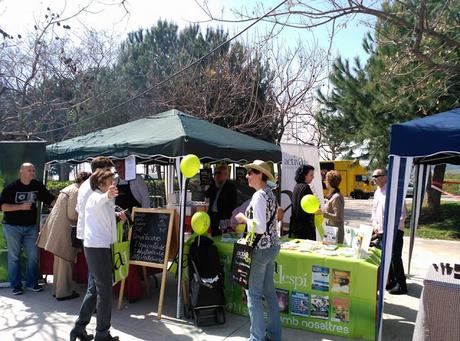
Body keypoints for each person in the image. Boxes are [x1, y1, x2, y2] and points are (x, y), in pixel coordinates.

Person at [235, 160, 281, 341]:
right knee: (269, 294)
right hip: (272, 248)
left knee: (253, 295)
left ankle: (257, 337)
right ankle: (274, 335)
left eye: (252, 172)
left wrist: (243, 219)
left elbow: (260, 227)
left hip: (261, 250)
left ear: (261, 175)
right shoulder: (269, 194)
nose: (247, 175)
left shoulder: (259, 196)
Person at [71, 169, 119, 341]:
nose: (113, 183)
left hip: (99, 246)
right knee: (104, 292)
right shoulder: (95, 196)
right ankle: (102, 334)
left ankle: (78, 328)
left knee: (94, 290)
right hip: (97, 247)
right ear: (100, 184)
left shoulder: (102, 196)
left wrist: (115, 212)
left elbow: (101, 211)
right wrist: (108, 196)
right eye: (109, 181)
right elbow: (98, 201)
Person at [0, 163, 55, 295]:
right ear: (21, 172)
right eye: (29, 170)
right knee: (14, 257)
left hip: (31, 227)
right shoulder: (11, 187)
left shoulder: (37, 185)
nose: (32, 172)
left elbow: (50, 200)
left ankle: (32, 283)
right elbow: (3, 207)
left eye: (33, 170)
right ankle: (16, 285)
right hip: (12, 227)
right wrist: (20, 207)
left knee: (33, 256)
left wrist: (63, 205)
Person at [37, 171, 91, 301]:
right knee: (65, 260)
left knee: (59, 262)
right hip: (64, 231)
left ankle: (58, 290)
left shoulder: (68, 188)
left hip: (57, 229)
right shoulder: (77, 191)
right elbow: (72, 214)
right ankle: (64, 293)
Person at [113, 159, 150, 303]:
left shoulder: (136, 180)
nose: (119, 169)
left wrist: (143, 220)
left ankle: (133, 287)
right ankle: (120, 286)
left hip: (135, 224)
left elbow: (146, 201)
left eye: (121, 166)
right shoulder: (115, 181)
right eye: (117, 167)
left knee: (133, 257)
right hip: (118, 225)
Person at [371, 168, 408, 295]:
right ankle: (391, 281)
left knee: (395, 257)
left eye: (376, 176)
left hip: (395, 230)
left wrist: (395, 227)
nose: (373, 178)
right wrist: (374, 224)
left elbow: (403, 213)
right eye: (373, 176)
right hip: (381, 230)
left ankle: (402, 285)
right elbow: (374, 211)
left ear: (384, 176)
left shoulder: (393, 191)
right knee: (385, 257)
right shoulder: (377, 192)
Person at [205, 164, 237, 236]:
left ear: (225, 175)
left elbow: (233, 204)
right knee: (214, 235)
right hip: (213, 215)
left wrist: (228, 217)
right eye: (215, 173)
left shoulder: (230, 187)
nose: (216, 175)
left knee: (222, 236)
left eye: (219, 173)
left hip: (223, 217)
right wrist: (214, 184)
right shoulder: (214, 184)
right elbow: (206, 194)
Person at [289, 164, 316, 240]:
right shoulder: (305, 187)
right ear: (304, 175)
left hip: (296, 226)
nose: (313, 177)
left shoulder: (297, 186)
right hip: (305, 228)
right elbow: (309, 208)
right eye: (311, 175)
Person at [320, 170, 345, 243]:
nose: (324, 182)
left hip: (335, 233)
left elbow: (338, 217)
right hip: (331, 231)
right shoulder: (333, 196)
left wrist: (323, 214)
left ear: (329, 182)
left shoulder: (336, 197)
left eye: (326, 180)